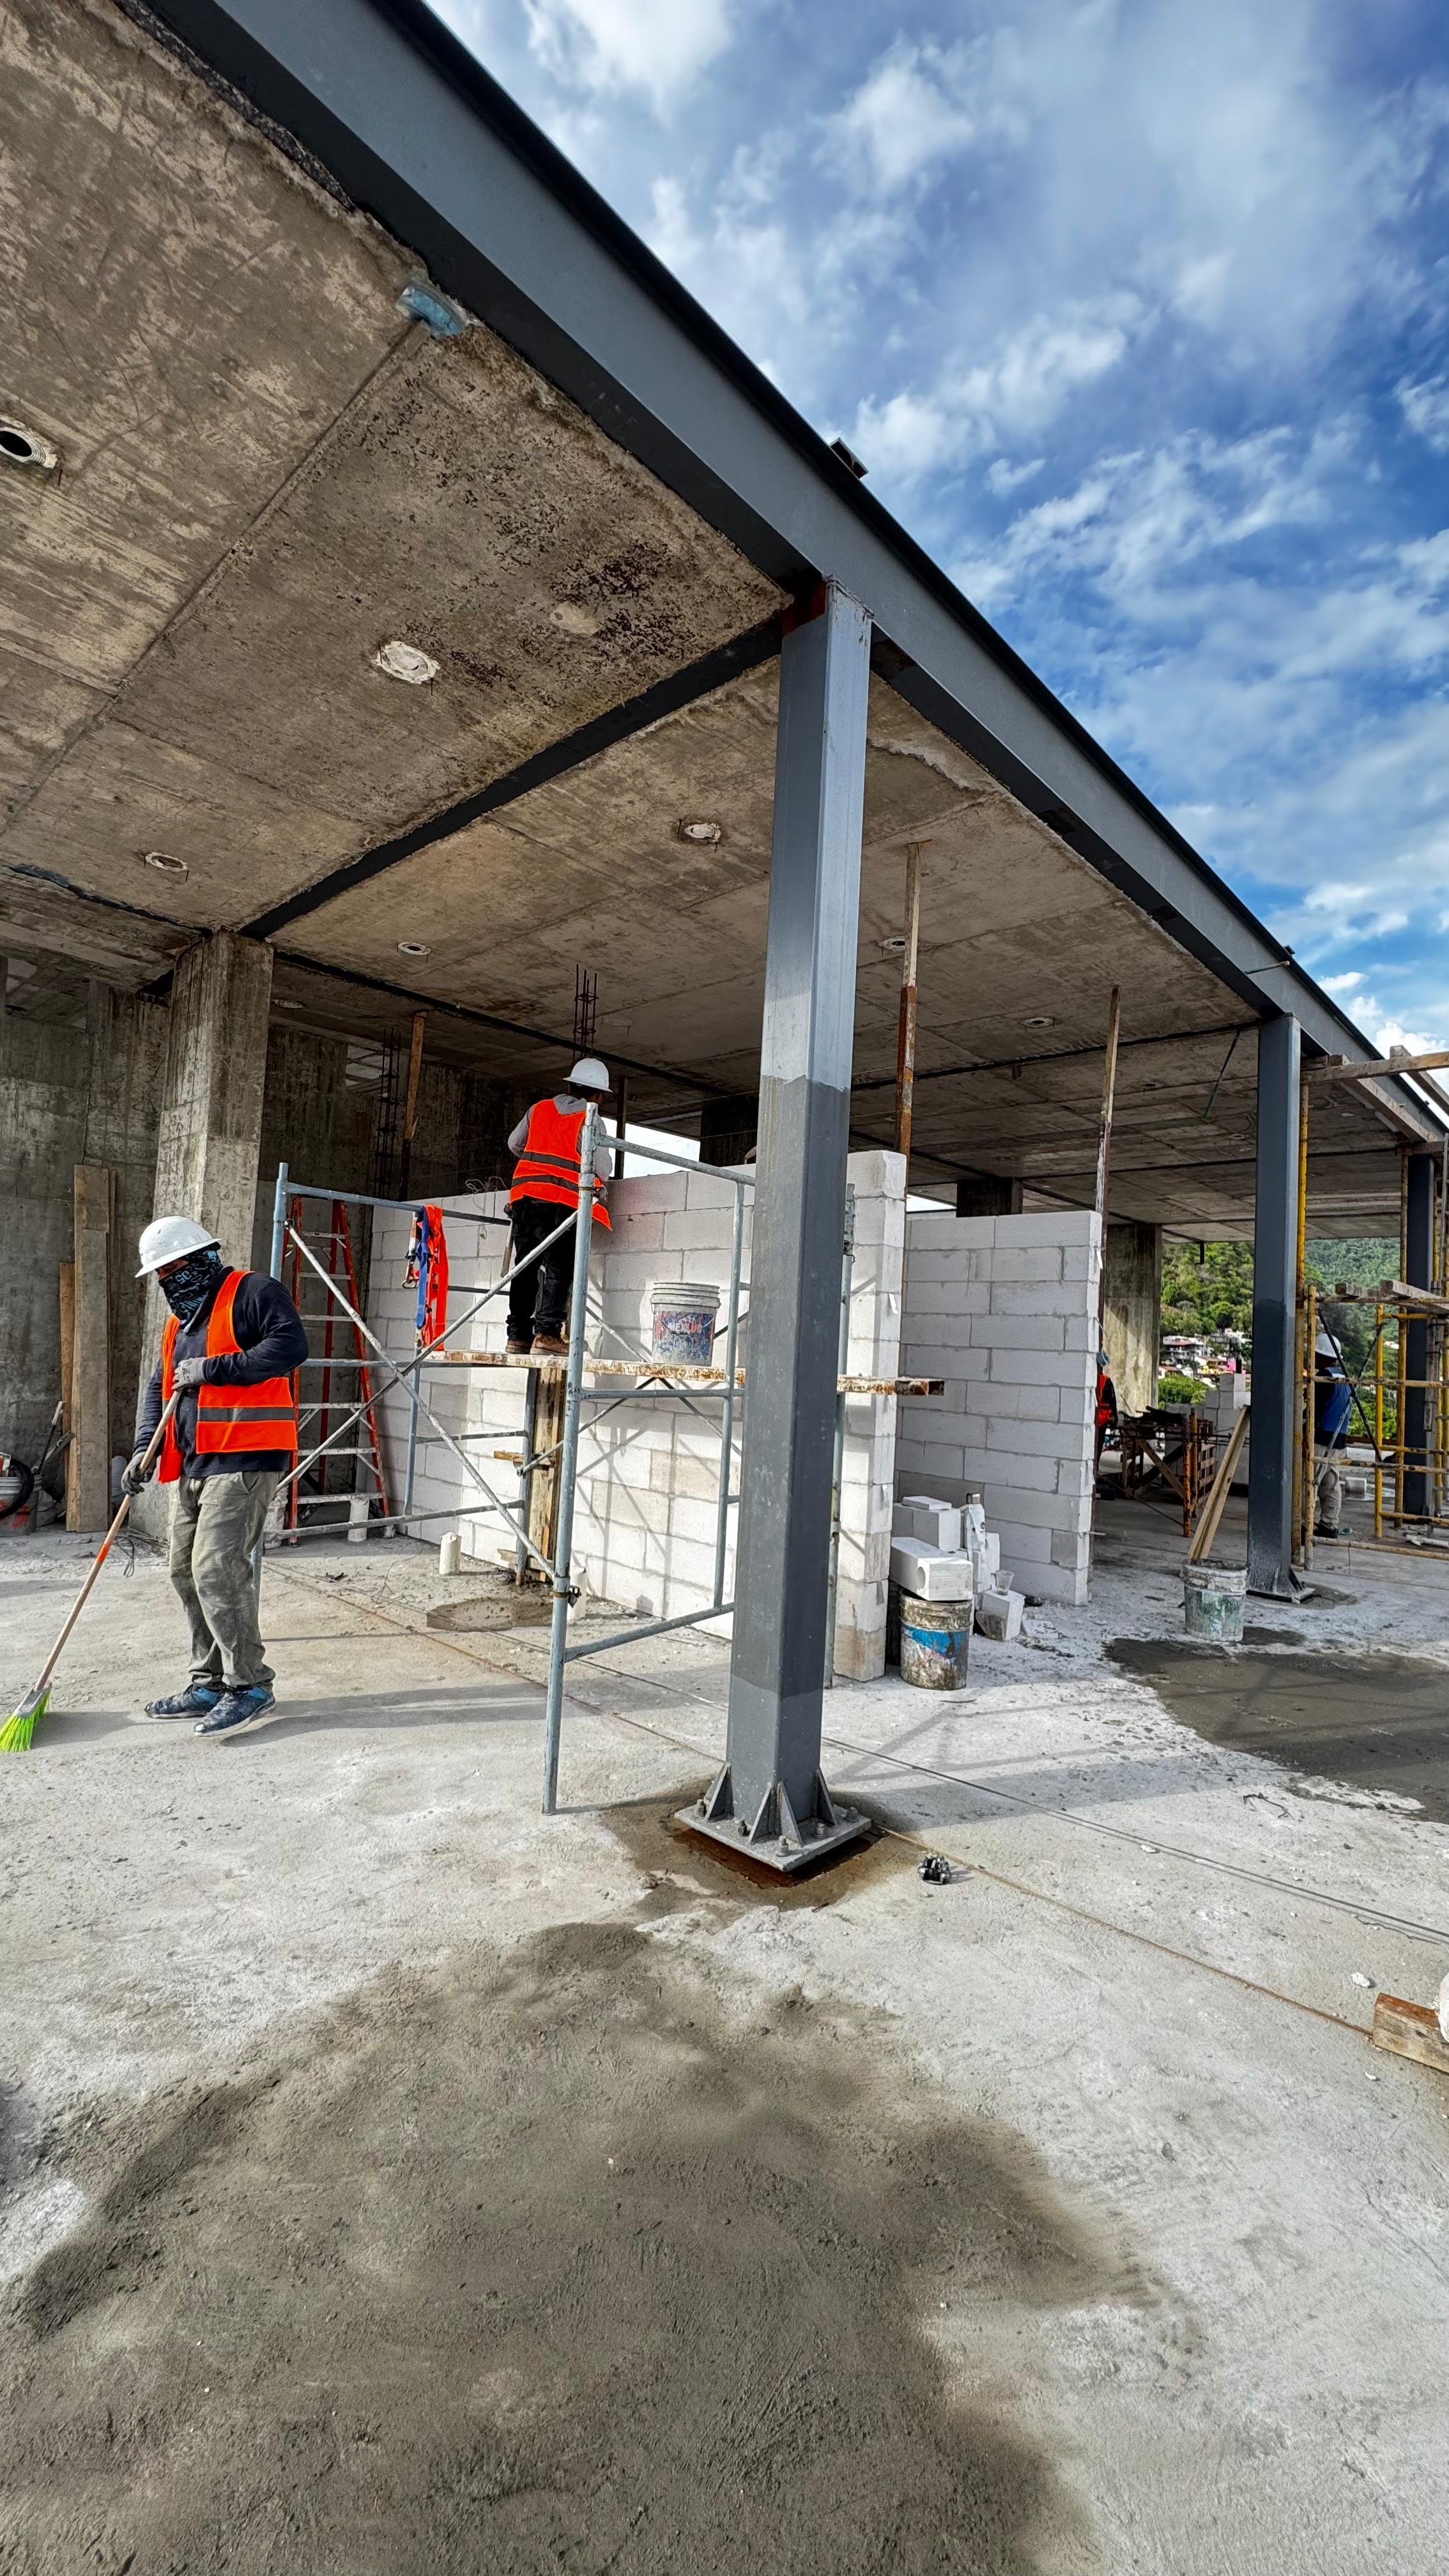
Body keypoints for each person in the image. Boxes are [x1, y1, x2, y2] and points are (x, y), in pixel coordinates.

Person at [124, 1217, 307, 1736]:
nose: (165, 1282)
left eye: (170, 1269)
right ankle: (208, 1682)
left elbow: (291, 1347)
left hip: (246, 1459)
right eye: (159, 1275)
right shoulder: (179, 1323)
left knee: (215, 1569)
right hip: (196, 1462)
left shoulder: (252, 1292)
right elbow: (160, 1389)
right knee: (183, 1570)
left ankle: (250, 1684)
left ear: (199, 1258)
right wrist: (144, 1450)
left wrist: (212, 1368)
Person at [505, 1057, 615, 1353]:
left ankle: (517, 1336)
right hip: (562, 1205)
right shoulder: (591, 1118)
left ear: (569, 1084)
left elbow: (515, 1144)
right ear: (599, 1095)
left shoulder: (538, 1109)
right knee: (559, 1270)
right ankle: (547, 1336)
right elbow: (603, 1168)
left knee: (525, 1268)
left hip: (524, 1202)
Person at [1313, 1328, 1352, 1539]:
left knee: (1310, 1482)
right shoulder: (1344, 1377)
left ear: (1322, 1356)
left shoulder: (1324, 1378)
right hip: (1339, 1440)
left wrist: (1304, 1432)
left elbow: (1316, 1411)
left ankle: (1302, 1525)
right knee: (1331, 1484)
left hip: (1322, 1438)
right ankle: (1329, 1524)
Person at [1094, 1347, 1119, 1488]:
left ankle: (1093, 1471)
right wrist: (1115, 1421)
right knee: (1097, 1449)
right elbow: (1113, 1402)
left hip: (1093, 1420)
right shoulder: (1106, 1381)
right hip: (1102, 1421)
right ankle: (1094, 1472)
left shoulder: (1092, 1380)